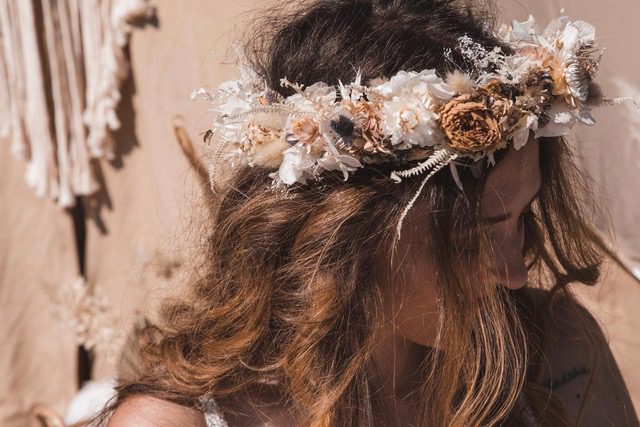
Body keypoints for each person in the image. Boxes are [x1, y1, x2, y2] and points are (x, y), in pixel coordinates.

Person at [102, 0, 638, 425]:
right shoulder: (175, 422)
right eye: (473, 236)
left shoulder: (554, 352)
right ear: (346, 229)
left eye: (522, 217)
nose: (515, 272)